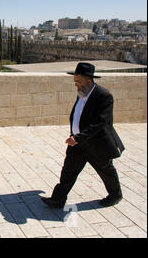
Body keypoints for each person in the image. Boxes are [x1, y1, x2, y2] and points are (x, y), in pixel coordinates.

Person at [41, 62, 125, 208]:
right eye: (75, 82)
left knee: (106, 171)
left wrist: (78, 137)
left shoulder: (104, 96)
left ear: (89, 80)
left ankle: (115, 195)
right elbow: (79, 116)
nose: (76, 85)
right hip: (78, 143)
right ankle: (58, 199)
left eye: (78, 82)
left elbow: (100, 122)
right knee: (68, 171)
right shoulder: (82, 93)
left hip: (96, 144)